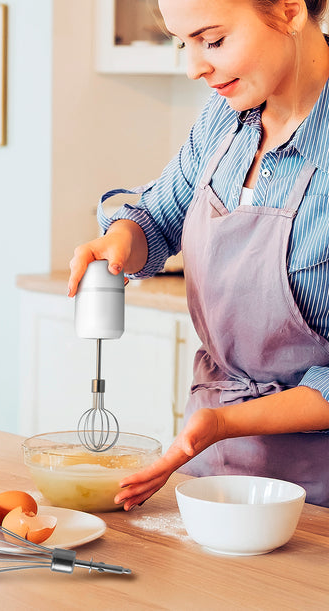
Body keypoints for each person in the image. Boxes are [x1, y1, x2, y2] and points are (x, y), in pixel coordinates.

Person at [68, 0, 329, 509]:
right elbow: (159, 214)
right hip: (211, 474)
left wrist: (227, 421)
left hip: (317, 499)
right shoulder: (223, 120)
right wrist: (123, 237)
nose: (193, 68)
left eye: (213, 41)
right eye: (180, 42)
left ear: (291, 10)